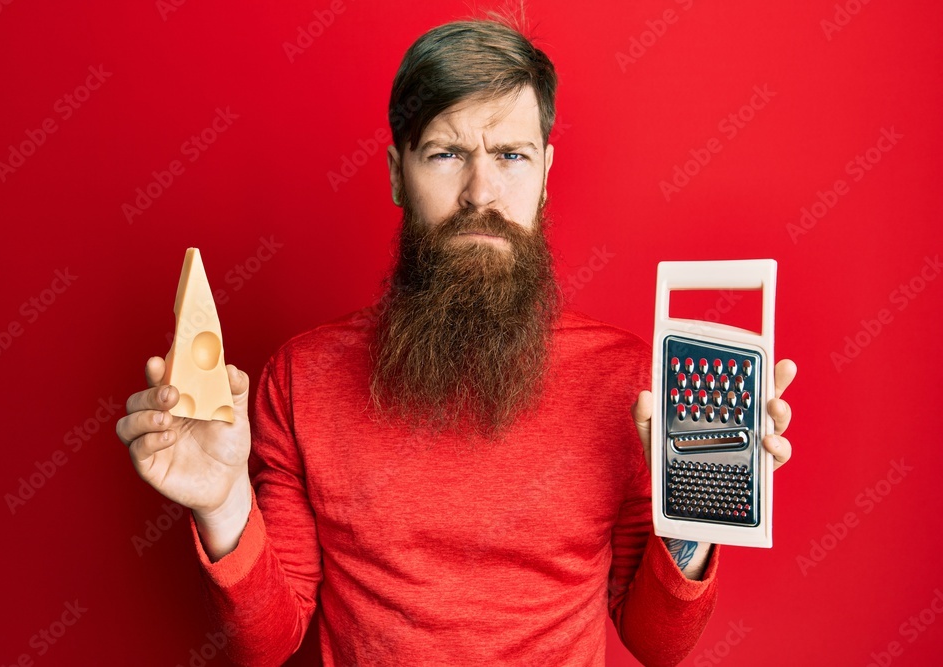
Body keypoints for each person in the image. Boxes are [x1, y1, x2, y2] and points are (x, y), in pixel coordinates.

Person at [116, 16, 796, 667]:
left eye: (510, 155)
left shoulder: (630, 382)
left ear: (545, 173)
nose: (481, 191)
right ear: (394, 172)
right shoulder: (300, 378)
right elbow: (265, 644)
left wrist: (701, 505)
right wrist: (222, 502)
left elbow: (659, 642)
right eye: (445, 154)